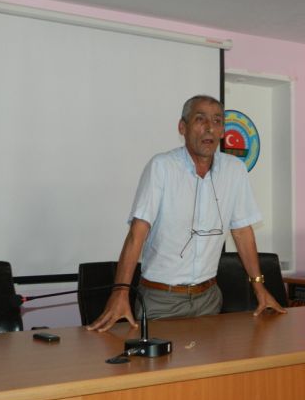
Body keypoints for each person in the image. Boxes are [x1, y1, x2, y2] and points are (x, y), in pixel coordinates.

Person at [87, 95, 286, 332]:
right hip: (162, 300)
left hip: (209, 298)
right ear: (182, 127)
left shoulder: (235, 171)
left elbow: (242, 232)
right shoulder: (162, 167)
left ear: (223, 131)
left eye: (217, 121)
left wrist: (259, 288)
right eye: (200, 119)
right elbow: (136, 235)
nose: (209, 127)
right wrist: (120, 292)